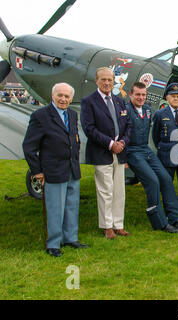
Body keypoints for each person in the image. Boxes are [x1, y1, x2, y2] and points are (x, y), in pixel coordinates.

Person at [22, 83, 88, 257]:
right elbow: (28, 147)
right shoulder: (40, 116)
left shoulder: (73, 114)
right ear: (52, 95)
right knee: (55, 208)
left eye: (67, 96)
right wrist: (37, 172)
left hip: (72, 168)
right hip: (53, 170)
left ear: (71, 98)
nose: (63, 99)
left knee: (72, 206)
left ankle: (70, 238)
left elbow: (74, 139)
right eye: (60, 95)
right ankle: (53, 243)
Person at [125, 82, 178, 232]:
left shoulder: (147, 110)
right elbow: (121, 133)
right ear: (130, 95)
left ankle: (175, 218)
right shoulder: (125, 110)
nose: (141, 97)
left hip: (145, 149)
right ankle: (160, 223)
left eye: (143, 95)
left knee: (166, 178)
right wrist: (123, 158)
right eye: (138, 94)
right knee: (153, 181)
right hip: (132, 151)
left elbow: (152, 134)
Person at [81, 67, 131, 239]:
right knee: (105, 190)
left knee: (119, 191)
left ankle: (118, 224)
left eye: (110, 79)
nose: (107, 83)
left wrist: (123, 142)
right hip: (102, 151)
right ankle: (107, 226)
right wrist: (111, 144)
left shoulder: (119, 101)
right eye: (103, 79)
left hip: (120, 152)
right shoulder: (89, 101)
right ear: (97, 81)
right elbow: (89, 128)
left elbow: (127, 125)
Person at [152, 83, 178, 220]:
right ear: (167, 98)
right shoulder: (160, 113)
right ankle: (169, 211)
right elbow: (155, 136)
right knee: (167, 184)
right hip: (166, 155)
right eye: (173, 96)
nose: (176, 99)